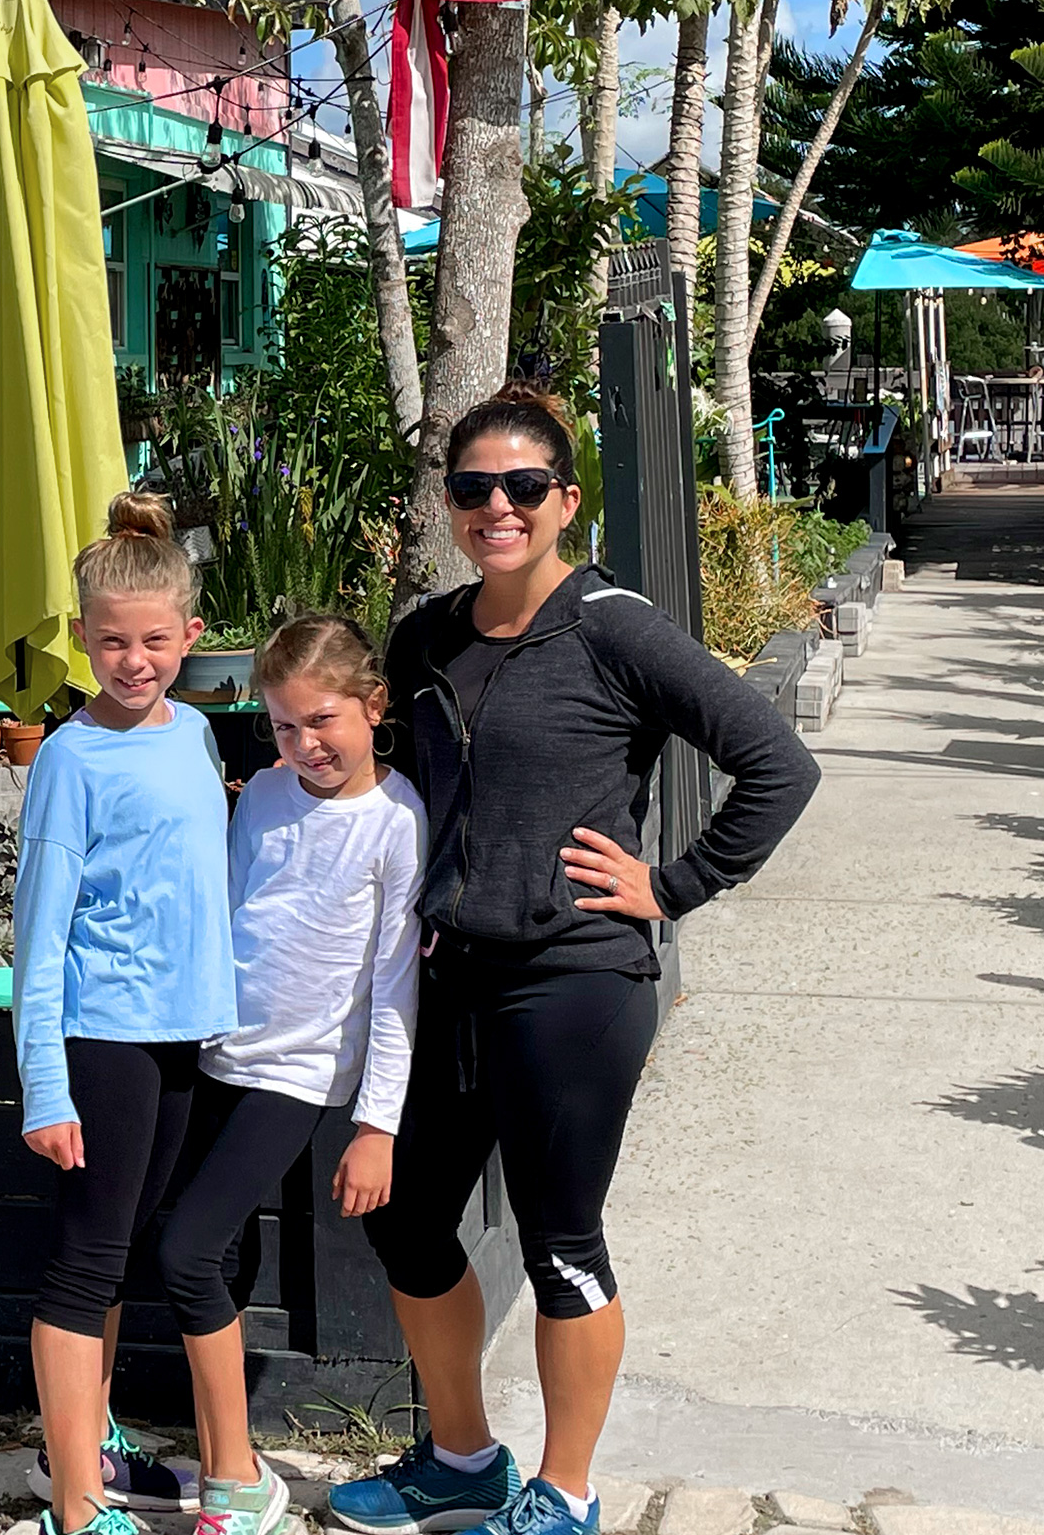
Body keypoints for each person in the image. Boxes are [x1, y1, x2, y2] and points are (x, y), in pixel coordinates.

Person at [326, 384, 821, 1535]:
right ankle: (459, 1459)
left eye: (522, 487)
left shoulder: (614, 626)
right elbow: (393, 779)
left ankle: (568, 1492)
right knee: (401, 1219)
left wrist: (674, 885)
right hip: (450, 979)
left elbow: (777, 764)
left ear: (564, 501)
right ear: (452, 504)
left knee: (560, 1246)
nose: (497, 506)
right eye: (472, 488)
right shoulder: (428, 634)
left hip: (575, 981)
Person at [155, 614, 425, 1535]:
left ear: (373, 706)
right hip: (215, 1049)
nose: (305, 744)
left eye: (323, 722)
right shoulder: (264, 795)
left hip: (298, 1075)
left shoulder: (396, 822)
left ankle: (238, 1480)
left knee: (185, 1251)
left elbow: (395, 984)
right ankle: (219, 1451)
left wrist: (377, 1123)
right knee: (216, 1255)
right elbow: (231, 912)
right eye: (282, 725)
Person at [13, 491, 236, 1535]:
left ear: (190, 635)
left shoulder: (195, 733)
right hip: (103, 1039)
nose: (134, 661)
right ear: (81, 639)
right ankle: (73, 1504)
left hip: (181, 1035)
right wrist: (45, 1086)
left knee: (125, 1246)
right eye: (112, 642)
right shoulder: (68, 759)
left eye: (154, 641)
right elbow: (39, 937)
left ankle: (95, 1444)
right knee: (87, 1261)